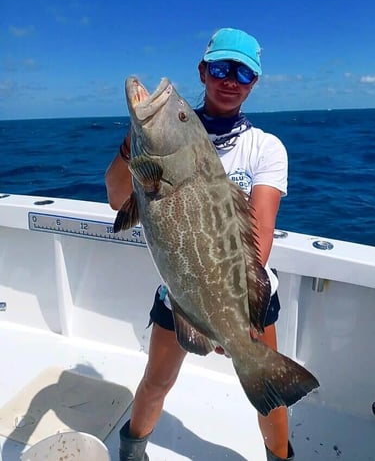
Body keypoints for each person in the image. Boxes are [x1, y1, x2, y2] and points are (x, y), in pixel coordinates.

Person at [105, 28, 293, 461]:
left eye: (243, 73)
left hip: (245, 296)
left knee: (268, 388)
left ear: (254, 82)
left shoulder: (265, 148)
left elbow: (259, 234)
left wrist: (236, 316)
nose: (231, 80)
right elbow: (117, 198)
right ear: (204, 71)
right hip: (181, 292)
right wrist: (135, 141)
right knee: (156, 380)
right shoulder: (159, 140)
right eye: (222, 68)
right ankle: (132, 452)